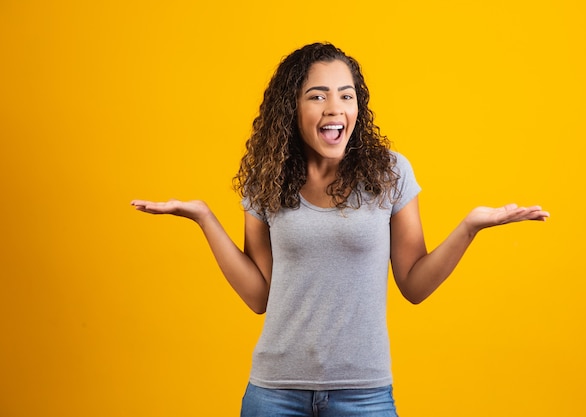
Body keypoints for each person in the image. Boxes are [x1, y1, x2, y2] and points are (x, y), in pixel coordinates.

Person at [131, 42, 549, 417]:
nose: (335, 107)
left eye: (346, 95)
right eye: (318, 95)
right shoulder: (267, 179)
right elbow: (260, 296)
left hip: (363, 395)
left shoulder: (389, 173)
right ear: (292, 108)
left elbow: (415, 285)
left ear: (357, 107)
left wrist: (469, 227)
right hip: (275, 393)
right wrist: (205, 217)